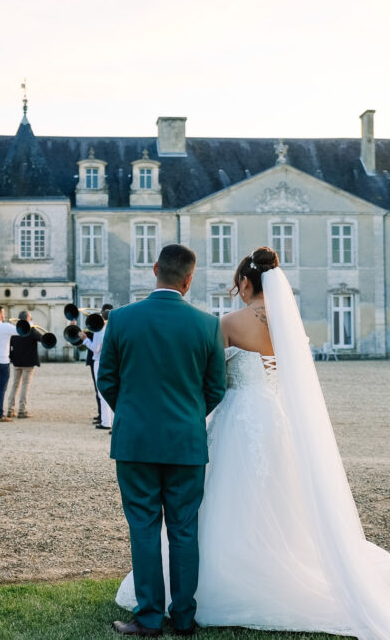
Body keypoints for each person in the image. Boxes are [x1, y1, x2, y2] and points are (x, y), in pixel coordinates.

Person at [116, 247, 390, 638]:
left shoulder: (221, 324)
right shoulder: (287, 328)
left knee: (184, 515)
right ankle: (193, 611)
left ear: (246, 284)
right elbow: (224, 385)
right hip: (274, 424)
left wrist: (158, 413)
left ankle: (163, 607)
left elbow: (169, 383)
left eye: (237, 284)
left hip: (223, 425)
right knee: (236, 516)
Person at [97, 244, 227, 637]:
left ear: (154, 270)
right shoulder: (208, 325)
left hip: (135, 441)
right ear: (190, 280)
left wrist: (135, 415)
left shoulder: (120, 320)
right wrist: (187, 417)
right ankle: (184, 617)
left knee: (144, 526)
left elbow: (107, 381)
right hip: (186, 441)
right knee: (184, 529)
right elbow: (215, 388)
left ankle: (150, 616)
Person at [80, 303, 114, 430]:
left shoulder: (100, 329)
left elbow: (95, 348)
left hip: (100, 362)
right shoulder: (113, 327)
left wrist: (84, 339)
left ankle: (106, 422)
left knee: (102, 393)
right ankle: (111, 421)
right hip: (112, 361)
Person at [6, 310, 40, 419]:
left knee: (15, 385)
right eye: (30, 317)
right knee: (25, 385)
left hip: (17, 361)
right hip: (28, 363)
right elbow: (43, 338)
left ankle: (10, 410)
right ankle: (22, 410)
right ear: (27, 319)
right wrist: (35, 327)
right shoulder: (31, 330)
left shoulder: (15, 330)